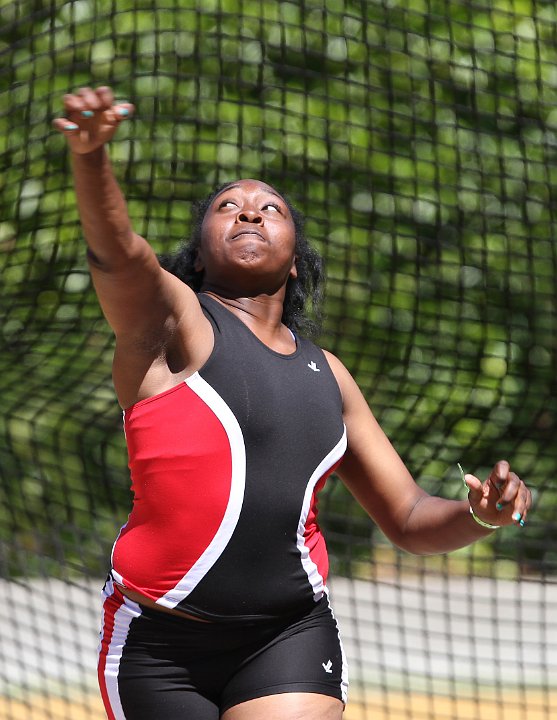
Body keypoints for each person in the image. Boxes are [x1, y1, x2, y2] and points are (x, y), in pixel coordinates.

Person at [53, 86, 532, 720]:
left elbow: (410, 517)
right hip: (159, 641)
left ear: (296, 262)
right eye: (228, 206)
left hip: (288, 633)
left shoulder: (329, 376)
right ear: (197, 254)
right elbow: (119, 254)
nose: (248, 213)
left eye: (269, 208)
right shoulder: (174, 326)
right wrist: (90, 158)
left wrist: (485, 518)